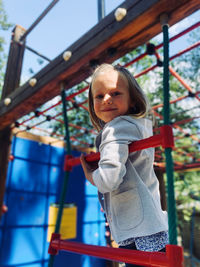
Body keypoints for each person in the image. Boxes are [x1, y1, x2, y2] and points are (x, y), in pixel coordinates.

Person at [80, 63, 168, 267]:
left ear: (133, 100)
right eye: (99, 96)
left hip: (139, 229)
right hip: (151, 224)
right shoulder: (139, 127)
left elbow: (109, 179)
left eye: (115, 93)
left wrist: (91, 176)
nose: (106, 99)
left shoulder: (116, 130)